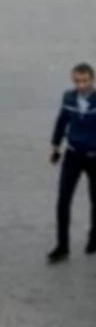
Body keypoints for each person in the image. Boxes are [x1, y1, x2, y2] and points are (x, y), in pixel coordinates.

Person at [48, 62, 96, 263]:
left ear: (92, 80)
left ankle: (94, 237)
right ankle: (62, 246)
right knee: (63, 201)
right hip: (73, 155)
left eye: (84, 81)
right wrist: (56, 146)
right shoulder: (68, 98)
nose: (81, 85)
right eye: (77, 81)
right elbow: (61, 121)